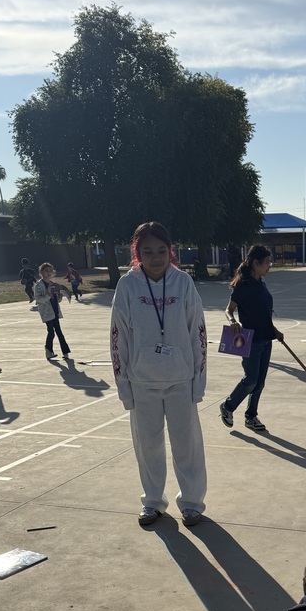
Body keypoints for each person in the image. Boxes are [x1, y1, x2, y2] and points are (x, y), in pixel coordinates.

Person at [110, 221, 207, 528]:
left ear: (170, 252)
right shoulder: (128, 286)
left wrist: (198, 382)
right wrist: (124, 387)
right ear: (137, 253)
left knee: (187, 447)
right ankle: (152, 501)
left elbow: (198, 333)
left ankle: (191, 503)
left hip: (180, 381)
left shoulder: (183, 283)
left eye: (161, 251)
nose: (155, 258)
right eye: (148, 251)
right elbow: (117, 337)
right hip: (142, 383)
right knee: (148, 447)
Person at [220, 245, 284, 434]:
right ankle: (228, 406)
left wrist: (274, 330)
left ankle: (251, 416)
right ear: (256, 263)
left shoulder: (262, 284)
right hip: (250, 341)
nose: (269, 266)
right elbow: (229, 309)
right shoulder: (243, 285)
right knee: (250, 380)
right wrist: (232, 321)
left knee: (260, 382)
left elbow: (263, 313)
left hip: (266, 339)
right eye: (267, 262)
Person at [34, 263, 72, 360]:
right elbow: (38, 299)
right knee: (51, 332)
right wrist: (48, 294)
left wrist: (60, 297)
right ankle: (48, 351)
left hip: (55, 310)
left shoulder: (53, 284)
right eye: (46, 271)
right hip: (47, 312)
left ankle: (65, 352)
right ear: (41, 272)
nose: (49, 273)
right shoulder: (39, 285)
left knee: (59, 332)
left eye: (50, 271)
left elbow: (56, 299)